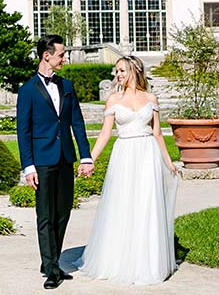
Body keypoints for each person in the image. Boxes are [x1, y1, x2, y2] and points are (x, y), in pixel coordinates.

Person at [74, 55, 179, 285]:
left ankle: (148, 263)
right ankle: (119, 259)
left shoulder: (151, 98)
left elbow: (158, 133)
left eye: (121, 70)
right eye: (116, 71)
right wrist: (88, 160)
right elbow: (104, 134)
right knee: (122, 204)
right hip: (123, 155)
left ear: (134, 71)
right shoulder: (113, 100)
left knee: (146, 204)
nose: (118, 75)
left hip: (147, 154)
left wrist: (169, 162)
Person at [17, 34, 94, 290]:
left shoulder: (67, 86)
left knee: (63, 213)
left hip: (65, 157)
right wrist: (28, 166)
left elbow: (78, 124)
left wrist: (85, 155)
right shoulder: (27, 91)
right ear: (46, 56)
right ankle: (51, 268)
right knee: (45, 216)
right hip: (42, 161)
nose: (65, 58)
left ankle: (50, 258)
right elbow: (23, 131)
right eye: (61, 54)